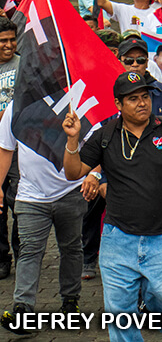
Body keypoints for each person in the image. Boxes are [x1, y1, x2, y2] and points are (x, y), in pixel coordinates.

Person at [60, 72, 162, 342]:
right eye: (134, 99)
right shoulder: (105, 136)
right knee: (119, 313)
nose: (142, 103)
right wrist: (72, 139)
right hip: (118, 238)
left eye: (145, 97)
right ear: (118, 103)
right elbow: (73, 172)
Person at [0, 100, 85, 336]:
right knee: (29, 249)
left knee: (71, 248)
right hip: (30, 194)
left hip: (71, 191)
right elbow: (5, 148)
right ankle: (23, 308)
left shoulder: (77, 100)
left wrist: (94, 175)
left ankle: (70, 302)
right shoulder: (17, 106)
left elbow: (95, 144)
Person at [118, 38, 162, 121]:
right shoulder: (110, 93)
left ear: (147, 63)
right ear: (120, 63)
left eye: (140, 60)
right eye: (129, 60)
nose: (135, 64)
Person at [0, 18, 17, 282]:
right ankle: (2, 258)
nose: (9, 45)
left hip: (17, 148)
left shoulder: (24, 65)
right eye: (3, 40)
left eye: (12, 39)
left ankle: (23, 253)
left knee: (20, 203)